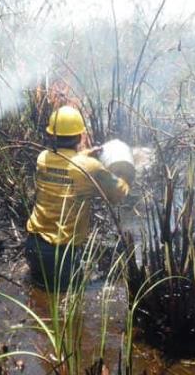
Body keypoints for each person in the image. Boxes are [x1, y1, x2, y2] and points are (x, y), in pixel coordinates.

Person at [25, 105, 132, 291]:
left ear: (52, 135)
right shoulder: (89, 167)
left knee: (41, 298)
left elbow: (67, 164)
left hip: (34, 246)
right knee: (67, 308)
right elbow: (118, 194)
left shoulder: (42, 158)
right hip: (61, 255)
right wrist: (126, 175)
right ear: (80, 136)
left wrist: (84, 155)